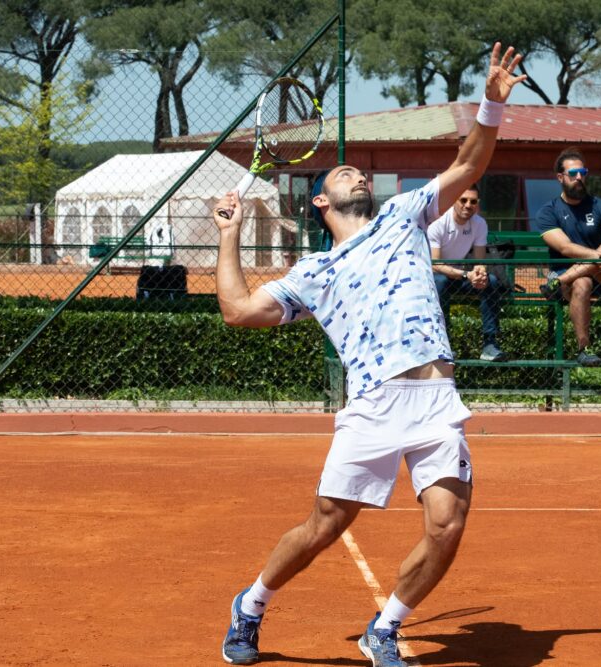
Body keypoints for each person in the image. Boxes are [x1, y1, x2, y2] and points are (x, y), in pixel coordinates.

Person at [214, 43, 526, 667]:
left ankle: (383, 628)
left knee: (447, 525)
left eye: (359, 171)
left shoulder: (402, 217)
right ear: (321, 202)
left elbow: (467, 166)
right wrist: (230, 236)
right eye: (341, 174)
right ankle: (249, 605)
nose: (356, 172)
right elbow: (239, 311)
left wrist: (490, 107)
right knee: (325, 525)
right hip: (375, 402)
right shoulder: (317, 270)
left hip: (436, 397)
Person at [532, 147, 601, 366]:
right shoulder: (548, 211)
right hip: (566, 271)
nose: (579, 178)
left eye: (583, 173)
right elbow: (565, 248)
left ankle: (557, 284)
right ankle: (584, 348)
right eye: (573, 173)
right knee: (583, 281)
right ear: (560, 177)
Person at [428, 184, 508, 362]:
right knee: (439, 282)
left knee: (492, 282)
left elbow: (479, 262)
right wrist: (466, 275)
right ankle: (443, 345)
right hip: (432, 278)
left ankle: (490, 345)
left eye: (473, 201)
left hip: (458, 277)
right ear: (453, 201)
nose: (468, 205)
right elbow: (435, 264)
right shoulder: (438, 223)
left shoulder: (480, 224)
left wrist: (480, 274)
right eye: (463, 200)